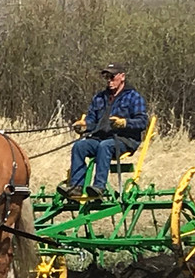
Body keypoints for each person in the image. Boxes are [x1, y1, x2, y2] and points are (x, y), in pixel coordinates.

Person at [59, 62, 149, 201]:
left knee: (105, 145)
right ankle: (76, 187)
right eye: (107, 77)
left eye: (112, 77)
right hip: (100, 138)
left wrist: (124, 123)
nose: (109, 80)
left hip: (125, 140)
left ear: (122, 77)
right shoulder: (99, 98)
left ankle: (99, 187)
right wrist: (83, 125)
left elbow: (142, 122)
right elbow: (91, 121)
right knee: (79, 146)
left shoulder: (133, 97)